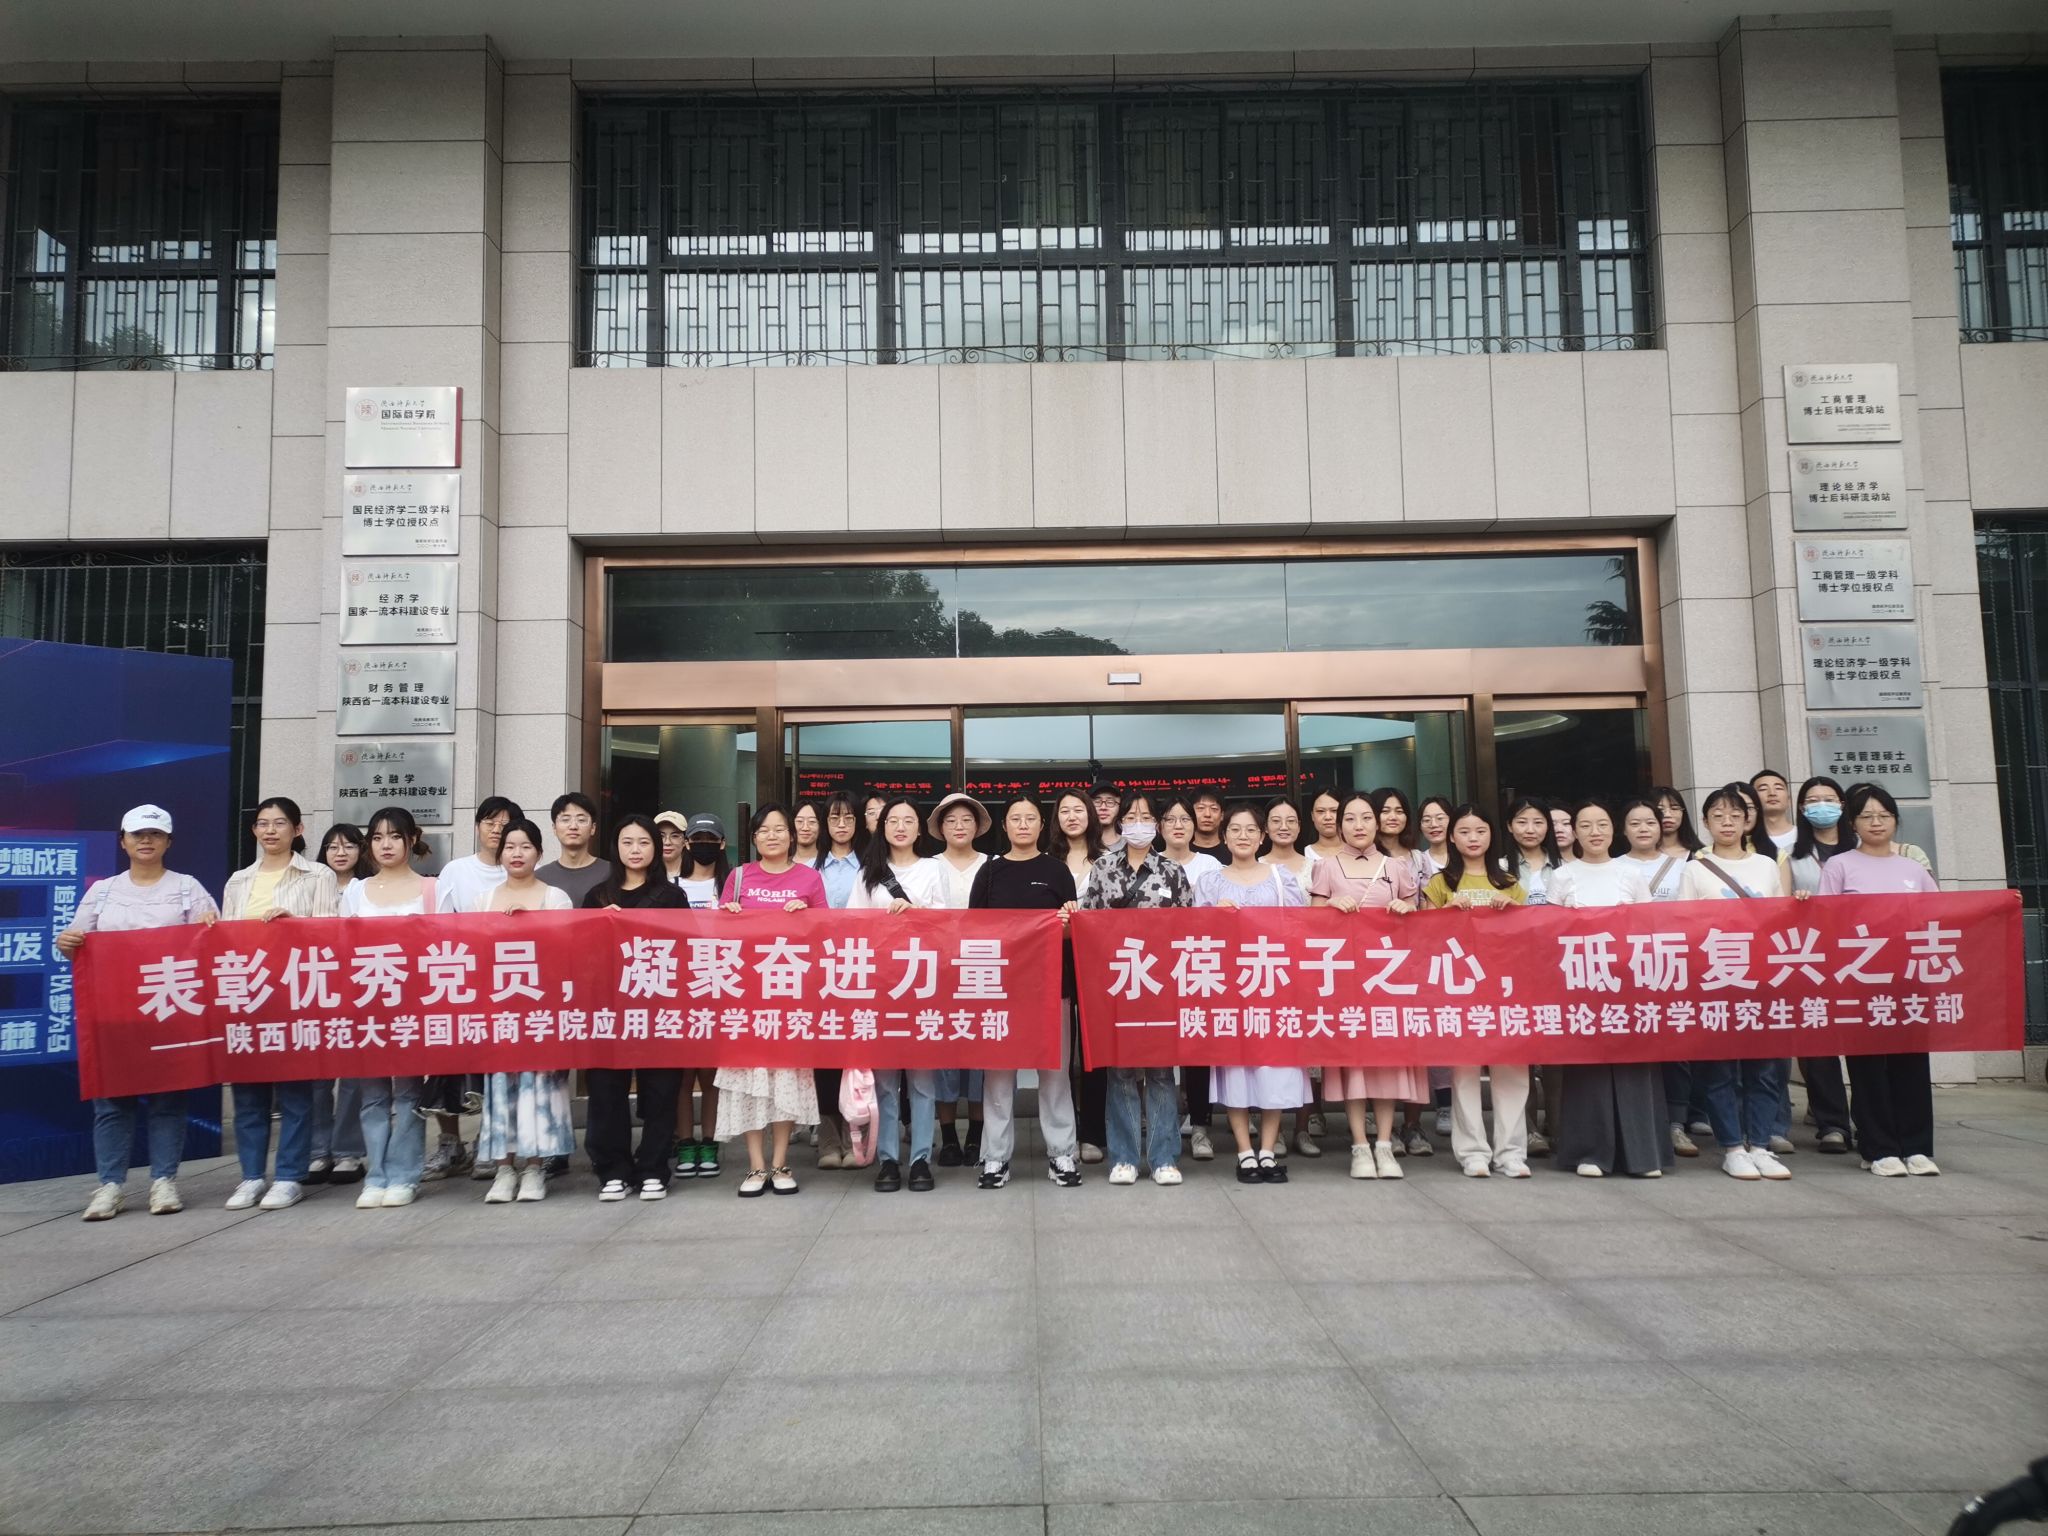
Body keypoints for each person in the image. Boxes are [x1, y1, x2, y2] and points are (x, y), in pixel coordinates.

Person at [61, 805, 219, 1221]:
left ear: (168, 841)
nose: (146, 840)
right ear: (123, 841)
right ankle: (110, 1186)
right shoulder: (103, 892)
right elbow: (77, 944)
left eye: (155, 834)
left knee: (169, 1100)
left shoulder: (187, 887)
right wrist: (67, 943)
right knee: (112, 1102)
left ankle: (163, 1181)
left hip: (168, 1012)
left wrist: (209, 926)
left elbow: (211, 944)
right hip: (115, 1014)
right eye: (137, 834)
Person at [219, 796, 341, 1213]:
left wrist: (294, 926)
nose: (270, 831)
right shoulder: (238, 880)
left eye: (279, 823)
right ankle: (252, 1175)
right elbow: (227, 940)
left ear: (298, 829)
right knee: (248, 1094)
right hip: (246, 995)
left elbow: (330, 934)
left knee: (295, 1093)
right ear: (254, 830)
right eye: (263, 824)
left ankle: (289, 1175)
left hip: (295, 993)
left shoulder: (318, 875)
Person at [1819, 784, 1943, 1177]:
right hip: (1861, 981)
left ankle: (1917, 1146)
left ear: (1895, 820)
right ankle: (1878, 1148)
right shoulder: (1839, 866)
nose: (1876, 822)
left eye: (1884, 815)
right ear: (1852, 823)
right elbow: (1826, 922)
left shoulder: (1913, 869)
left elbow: (1938, 917)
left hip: (1908, 980)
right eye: (1867, 816)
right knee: (1868, 1067)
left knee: (1912, 1064)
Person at [1548, 801, 1670, 1179]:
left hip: (1629, 985)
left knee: (1635, 1067)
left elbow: (1649, 930)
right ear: (1575, 832)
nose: (1595, 832)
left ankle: (1643, 1155)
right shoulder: (1562, 876)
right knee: (1589, 1071)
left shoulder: (1630, 874)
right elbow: (1549, 934)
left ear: (1613, 830)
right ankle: (1590, 1152)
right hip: (1582, 987)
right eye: (1586, 825)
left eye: (1602, 824)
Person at [1679, 783, 1791, 1182]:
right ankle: (1732, 1147)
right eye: (1717, 816)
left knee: (1765, 1069)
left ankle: (1760, 1144)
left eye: (1735, 815)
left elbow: (1782, 921)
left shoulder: (1766, 865)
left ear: (1748, 821)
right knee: (1720, 1070)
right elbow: (1684, 927)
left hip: (1763, 979)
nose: (1726, 822)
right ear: (1705, 823)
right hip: (1715, 980)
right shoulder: (1695, 869)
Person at [460, 817, 576, 1203]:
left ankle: (535, 1167)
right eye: (510, 847)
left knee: (536, 1090)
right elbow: (471, 956)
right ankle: (504, 1168)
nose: (517, 853)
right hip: (498, 1013)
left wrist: (531, 925)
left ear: (539, 853)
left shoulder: (555, 898)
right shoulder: (483, 901)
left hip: (540, 1013)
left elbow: (565, 955)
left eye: (525, 846)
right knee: (500, 1090)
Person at [1080, 790, 1192, 1187]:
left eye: (1146, 817)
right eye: (1131, 817)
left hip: (1161, 986)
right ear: (1120, 823)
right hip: (1118, 984)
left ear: (1157, 825)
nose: (1139, 824)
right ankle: (1124, 1157)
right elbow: (1089, 922)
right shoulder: (1103, 868)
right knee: (1121, 1071)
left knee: (1161, 1071)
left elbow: (1190, 929)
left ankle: (1164, 1157)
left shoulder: (1173, 871)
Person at [969, 795, 1081, 1188]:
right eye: (1015, 818)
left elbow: (1072, 929)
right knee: (999, 1077)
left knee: (1055, 1074)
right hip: (1000, 990)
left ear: (1041, 825)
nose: (1022, 824)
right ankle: (995, 1158)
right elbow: (973, 931)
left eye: (1030, 818)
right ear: (1005, 826)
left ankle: (1062, 1153)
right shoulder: (990, 872)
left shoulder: (1056, 871)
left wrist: (1067, 924)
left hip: (1051, 989)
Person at [1313, 792, 1424, 1180]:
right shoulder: (1326, 867)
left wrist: (1407, 909)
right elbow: (1311, 921)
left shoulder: (1397, 867)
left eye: (1365, 818)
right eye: (1349, 818)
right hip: (1345, 978)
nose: (1358, 825)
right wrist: (1330, 906)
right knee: (1354, 1063)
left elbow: (1419, 919)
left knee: (1386, 1061)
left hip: (1388, 979)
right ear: (1339, 825)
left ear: (1377, 823)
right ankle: (1360, 1145)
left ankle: (1385, 1144)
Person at [1198, 804, 1311, 1183]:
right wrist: (1214, 917)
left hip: (1274, 986)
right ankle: (1244, 1151)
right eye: (1235, 829)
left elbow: (1299, 928)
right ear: (1224, 836)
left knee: (1273, 1068)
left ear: (1262, 837)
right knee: (1236, 1067)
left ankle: (1268, 1149)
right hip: (1228, 989)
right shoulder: (1210, 883)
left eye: (1250, 829)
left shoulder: (1281, 878)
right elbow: (1195, 937)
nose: (1243, 836)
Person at [719, 803, 827, 1197]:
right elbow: (718, 939)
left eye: (780, 829)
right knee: (749, 1081)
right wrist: (728, 914)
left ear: (792, 835)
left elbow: (827, 934)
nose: (772, 836)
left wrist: (806, 915)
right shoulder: (738, 878)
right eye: (764, 830)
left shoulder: (809, 878)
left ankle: (781, 1162)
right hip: (746, 996)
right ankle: (755, 1166)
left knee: (785, 1079)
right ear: (754, 837)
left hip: (789, 996)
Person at [582, 814, 689, 1201]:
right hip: (608, 1010)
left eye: (644, 842)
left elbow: (687, 950)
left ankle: (654, 1168)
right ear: (616, 848)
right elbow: (581, 956)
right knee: (605, 1090)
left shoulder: (672, 897)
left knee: (661, 1090)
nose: (635, 850)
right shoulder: (597, 897)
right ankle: (612, 1169)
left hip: (659, 1008)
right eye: (627, 842)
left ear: (656, 849)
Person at [1420, 806, 1530, 1178]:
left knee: (1511, 1071)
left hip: (1504, 987)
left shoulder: (1509, 882)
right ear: (1452, 837)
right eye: (1464, 831)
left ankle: (1511, 1152)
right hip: (1459, 988)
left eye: (1480, 831)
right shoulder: (1440, 883)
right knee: (1464, 1073)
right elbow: (1421, 938)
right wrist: (1444, 913)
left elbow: (1529, 934)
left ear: (1491, 835)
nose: (1473, 838)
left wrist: (1513, 910)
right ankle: (1472, 1152)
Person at [846, 796, 946, 1191]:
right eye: (893, 821)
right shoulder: (867, 873)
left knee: (922, 1081)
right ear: (882, 827)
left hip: (921, 985)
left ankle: (920, 1159)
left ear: (920, 829)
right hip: (880, 987)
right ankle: (888, 1159)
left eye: (908, 820)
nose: (900, 827)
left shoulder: (932, 869)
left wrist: (915, 912)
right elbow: (852, 927)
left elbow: (947, 923)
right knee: (885, 1082)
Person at [341, 805, 438, 1207]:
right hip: (368, 1005)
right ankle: (375, 1176)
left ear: (411, 840)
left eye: (395, 836)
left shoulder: (433, 890)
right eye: (378, 837)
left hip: (413, 1004)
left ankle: (404, 1175)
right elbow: (340, 947)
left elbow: (447, 948)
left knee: (409, 1094)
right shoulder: (355, 891)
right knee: (373, 1096)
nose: (386, 845)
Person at [1779, 775, 1854, 1153]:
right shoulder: (1791, 855)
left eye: (1828, 798)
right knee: (1819, 1044)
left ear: (1842, 805)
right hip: (1811, 958)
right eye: (1812, 800)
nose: (1820, 805)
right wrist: (1796, 903)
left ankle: (1870, 1118)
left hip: (1861, 957)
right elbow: (1776, 908)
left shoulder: (1862, 848)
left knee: (1863, 1043)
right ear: (1801, 809)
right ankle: (1832, 1123)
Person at [924, 792, 991, 1166]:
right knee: (943, 1055)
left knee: (981, 1056)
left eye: (966, 819)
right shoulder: (928, 867)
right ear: (940, 827)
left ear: (977, 826)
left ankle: (977, 1136)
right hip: (939, 973)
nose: (959, 826)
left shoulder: (992, 865)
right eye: (951, 820)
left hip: (982, 971)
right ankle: (948, 1137)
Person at [1373, 786, 1438, 1158]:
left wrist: (1412, 910)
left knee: (1413, 1045)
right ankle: (1381, 1125)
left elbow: (1427, 906)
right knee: (1378, 1046)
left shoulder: (1418, 858)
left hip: (1412, 961)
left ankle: (1412, 1125)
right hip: (1372, 965)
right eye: (1385, 810)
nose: (1392, 817)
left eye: (1399, 810)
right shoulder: (1363, 857)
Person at [1156, 794, 1222, 1159]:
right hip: (1158, 969)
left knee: (1198, 1048)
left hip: (1200, 966)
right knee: (1162, 1048)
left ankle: (1200, 1127)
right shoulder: (1149, 864)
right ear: (1160, 827)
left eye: (1185, 819)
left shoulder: (1210, 864)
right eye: (1171, 819)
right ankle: (1164, 1123)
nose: (1178, 825)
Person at [308, 823, 372, 1188]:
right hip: (316, 988)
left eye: (348, 846)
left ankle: (348, 1151)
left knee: (352, 1078)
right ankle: (318, 1151)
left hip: (358, 988)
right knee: (317, 1077)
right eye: (332, 846)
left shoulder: (367, 888)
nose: (340, 853)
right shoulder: (311, 884)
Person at [1649, 784, 1711, 1145]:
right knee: (1667, 1039)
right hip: (1650, 958)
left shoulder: (1701, 857)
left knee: (1697, 1037)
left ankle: (1698, 1111)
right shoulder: (1632, 859)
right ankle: (1672, 1113)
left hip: (1696, 956)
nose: (1667, 815)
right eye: (1659, 809)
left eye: (1674, 808)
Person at [670, 811, 728, 1177]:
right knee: (681, 1076)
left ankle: (709, 1142)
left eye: (710, 840)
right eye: (697, 839)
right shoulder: (670, 885)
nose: (703, 845)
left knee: (710, 1075)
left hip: (718, 988)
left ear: (722, 844)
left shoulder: (731, 886)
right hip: (677, 991)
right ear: (687, 844)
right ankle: (684, 1143)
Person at [1053, 789, 1109, 1163]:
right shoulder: (1046, 861)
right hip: (1054, 959)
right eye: (1065, 811)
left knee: (1093, 1049)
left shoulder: (1109, 860)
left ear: (1090, 815)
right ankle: (1065, 1133)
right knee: (1061, 1052)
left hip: (1097, 961)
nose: (1072, 816)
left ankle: (1092, 1133)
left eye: (1078, 810)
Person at [810, 792, 864, 1169]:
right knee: (824, 1054)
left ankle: (854, 1129)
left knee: (856, 1052)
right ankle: (828, 1136)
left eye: (848, 818)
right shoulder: (811, 869)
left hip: (862, 969)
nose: (841, 825)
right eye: (834, 819)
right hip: (818, 972)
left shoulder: (873, 866)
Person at [435, 795, 520, 914]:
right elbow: (440, 918)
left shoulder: (532, 871)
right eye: (490, 823)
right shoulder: (454, 870)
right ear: (477, 827)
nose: (496, 830)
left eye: (504, 825)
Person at [536, 790, 610, 906]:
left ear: (593, 828)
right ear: (554, 828)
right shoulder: (539, 877)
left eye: (581, 820)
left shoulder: (611, 872)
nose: (573, 826)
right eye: (565, 820)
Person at [1261, 796, 1316, 881]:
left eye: (1290, 821)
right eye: (1276, 821)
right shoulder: (1256, 865)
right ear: (1266, 827)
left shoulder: (1314, 867)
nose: (1284, 827)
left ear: (1299, 827)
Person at [1751, 769, 1799, 854]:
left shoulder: (1805, 836)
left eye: (1778, 788)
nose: (1772, 793)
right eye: (1763, 789)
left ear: (1789, 800)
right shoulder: (1744, 842)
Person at [317, 823, 369, 893]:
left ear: (361, 850)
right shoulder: (314, 884)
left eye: (348, 847)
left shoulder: (370, 885)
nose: (341, 853)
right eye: (334, 847)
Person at [1305, 788, 1346, 863]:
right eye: (1320, 811)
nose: (1328, 817)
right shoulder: (1304, 854)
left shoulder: (1357, 851)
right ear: (1312, 816)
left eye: (1334, 811)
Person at [1417, 796, 1453, 874]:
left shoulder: (1465, 857)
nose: (1433, 825)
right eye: (1427, 820)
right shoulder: (1418, 863)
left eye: (1440, 818)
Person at [1189, 788, 1227, 859]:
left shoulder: (1234, 853)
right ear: (1190, 813)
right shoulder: (1182, 853)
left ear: (1222, 815)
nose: (1207, 814)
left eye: (1214, 809)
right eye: (1201, 808)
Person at [656, 809, 691, 886]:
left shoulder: (696, 872)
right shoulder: (645, 873)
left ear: (685, 841)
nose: (667, 842)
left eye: (674, 836)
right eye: (661, 836)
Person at [1089, 781, 1124, 853]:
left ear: (1119, 807)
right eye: (1097, 802)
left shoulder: (1130, 845)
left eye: (1110, 802)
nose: (1103, 807)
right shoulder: (1079, 844)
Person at [791, 800, 824, 864]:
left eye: (812, 821)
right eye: (800, 821)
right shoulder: (782, 864)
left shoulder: (829, 863)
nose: (805, 828)